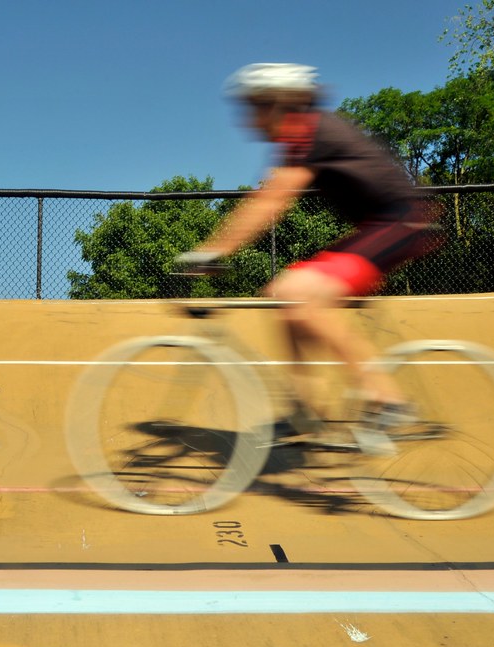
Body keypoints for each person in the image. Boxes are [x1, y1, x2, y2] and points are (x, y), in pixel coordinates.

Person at [178, 63, 442, 433]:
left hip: (402, 222)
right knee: (282, 295)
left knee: (297, 293)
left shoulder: (309, 131)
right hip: (380, 224)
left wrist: (214, 250)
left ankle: (388, 398)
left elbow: (271, 201)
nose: (248, 117)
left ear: (277, 103)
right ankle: (306, 411)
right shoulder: (301, 138)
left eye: (253, 106)